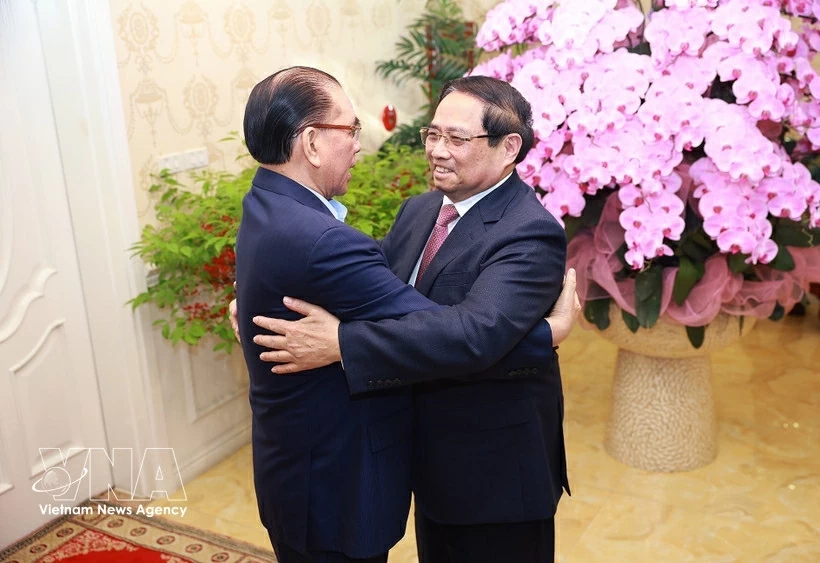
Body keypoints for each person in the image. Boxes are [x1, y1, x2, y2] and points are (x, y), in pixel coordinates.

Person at [235, 67, 576, 563]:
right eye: (433, 134)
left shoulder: (529, 232)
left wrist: (341, 342)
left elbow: (474, 335)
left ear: (509, 148)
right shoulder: (421, 209)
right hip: (430, 463)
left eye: (456, 138)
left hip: (494, 474)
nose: (437, 150)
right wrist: (276, 286)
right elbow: (377, 284)